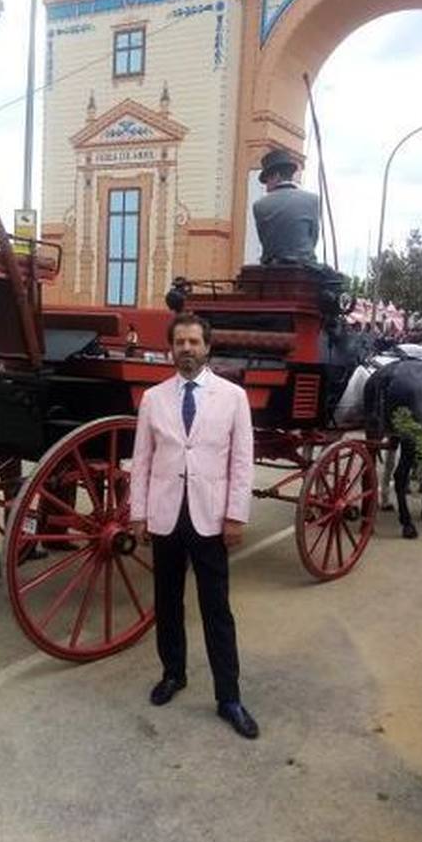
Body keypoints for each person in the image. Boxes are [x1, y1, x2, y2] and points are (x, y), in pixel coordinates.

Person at [130, 312, 258, 739]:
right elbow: (142, 461)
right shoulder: (153, 399)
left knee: (216, 609)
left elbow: (242, 462)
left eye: (193, 342)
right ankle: (173, 673)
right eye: (180, 342)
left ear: (207, 347)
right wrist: (138, 513)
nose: (186, 348)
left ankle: (229, 698)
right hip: (166, 516)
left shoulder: (233, 397)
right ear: (171, 348)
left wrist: (236, 515)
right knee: (167, 603)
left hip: (211, 517)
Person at [252, 148, 320, 267]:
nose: (266, 188)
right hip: (304, 268)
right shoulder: (312, 200)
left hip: (272, 267)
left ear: (276, 176)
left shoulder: (259, 205)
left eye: (267, 181)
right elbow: (313, 238)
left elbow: (265, 241)